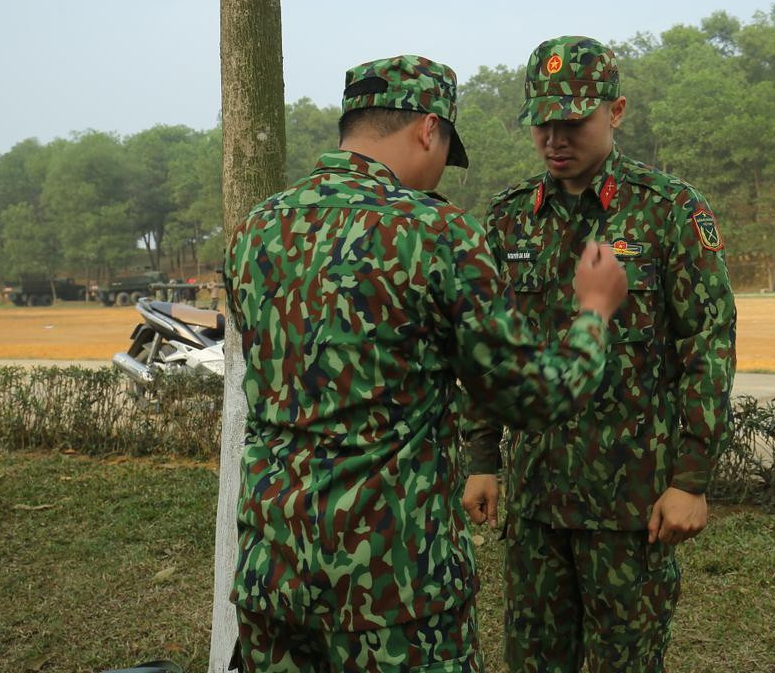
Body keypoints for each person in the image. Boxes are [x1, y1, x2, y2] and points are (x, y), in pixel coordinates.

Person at [224, 55, 628, 673]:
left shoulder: (257, 229)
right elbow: (536, 397)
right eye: (444, 148)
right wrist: (594, 312)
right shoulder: (436, 233)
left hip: (272, 575)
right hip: (395, 587)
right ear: (428, 130)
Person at [461, 36, 737, 672]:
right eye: (542, 123)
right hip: (536, 504)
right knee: (531, 662)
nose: (555, 138)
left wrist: (689, 481)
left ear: (615, 111)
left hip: (632, 509)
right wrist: (483, 459)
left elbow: (709, 348)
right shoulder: (510, 220)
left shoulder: (667, 211)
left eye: (573, 122)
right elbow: (487, 351)